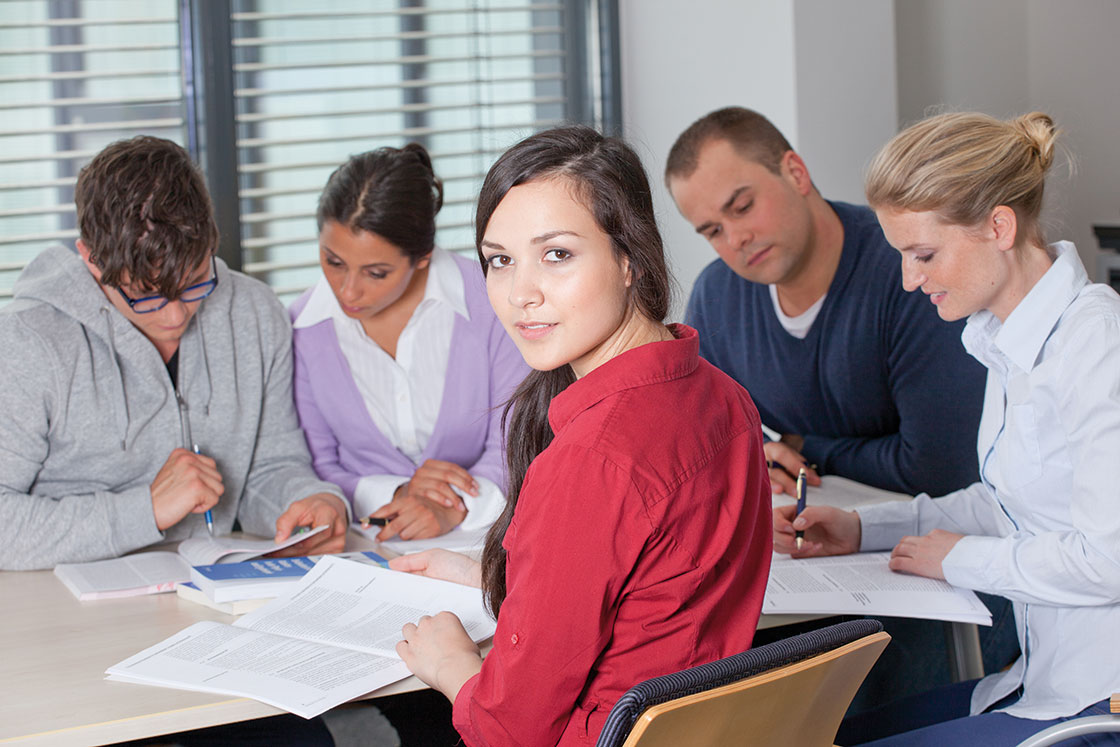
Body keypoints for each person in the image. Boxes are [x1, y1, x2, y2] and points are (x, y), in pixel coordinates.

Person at [388, 125, 773, 746]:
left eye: (557, 254)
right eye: (500, 260)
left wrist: (452, 666)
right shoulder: (723, 397)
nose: (520, 294)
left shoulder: (595, 457)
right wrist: (503, 581)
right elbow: (653, 601)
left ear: (629, 258)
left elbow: (509, 731)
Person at [778, 112, 1120, 746]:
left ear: (999, 226)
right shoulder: (1003, 338)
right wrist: (869, 528)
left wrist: (960, 560)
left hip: (1097, 702)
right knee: (831, 735)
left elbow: (1109, 559)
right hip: (1037, 680)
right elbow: (1011, 503)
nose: (910, 279)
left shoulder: (1097, 345)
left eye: (923, 254)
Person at [0, 136, 349, 570]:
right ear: (90, 260)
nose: (174, 316)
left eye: (195, 282)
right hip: (59, 605)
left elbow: (271, 464)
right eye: (143, 295)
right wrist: (146, 510)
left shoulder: (256, 314)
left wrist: (309, 501)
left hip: (207, 590)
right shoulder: (27, 341)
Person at [665, 106, 985, 498]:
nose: (735, 240)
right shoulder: (715, 297)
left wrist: (804, 449)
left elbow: (941, 468)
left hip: (925, 535)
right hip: (798, 539)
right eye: (713, 230)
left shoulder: (912, 272)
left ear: (796, 173)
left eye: (743, 207)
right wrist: (760, 453)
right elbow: (702, 444)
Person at [290, 144, 527, 544]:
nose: (347, 289)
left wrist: (451, 504)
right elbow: (313, 463)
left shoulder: (494, 301)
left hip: (487, 543)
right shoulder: (301, 327)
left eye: (376, 272)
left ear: (421, 257)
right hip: (359, 548)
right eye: (333, 262)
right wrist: (400, 494)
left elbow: (517, 444)